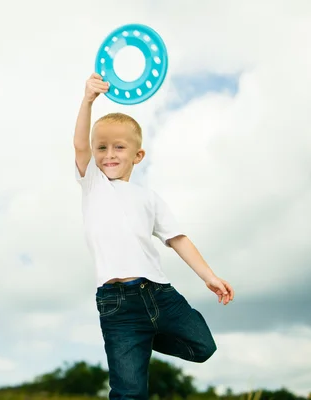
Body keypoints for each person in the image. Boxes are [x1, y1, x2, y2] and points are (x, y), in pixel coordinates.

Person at [73, 72, 235, 400]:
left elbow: (178, 239)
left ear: (138, 155)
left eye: (118, 147)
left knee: (203, 345)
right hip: (117, 304)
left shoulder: (148, 198)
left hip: (159, 294)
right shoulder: (93, 185)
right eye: (101, 147)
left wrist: (210, 276)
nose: (108, 154)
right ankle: (136, 338)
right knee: (129, 392)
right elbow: (79, 145)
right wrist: (88, 99)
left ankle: (144, 337)